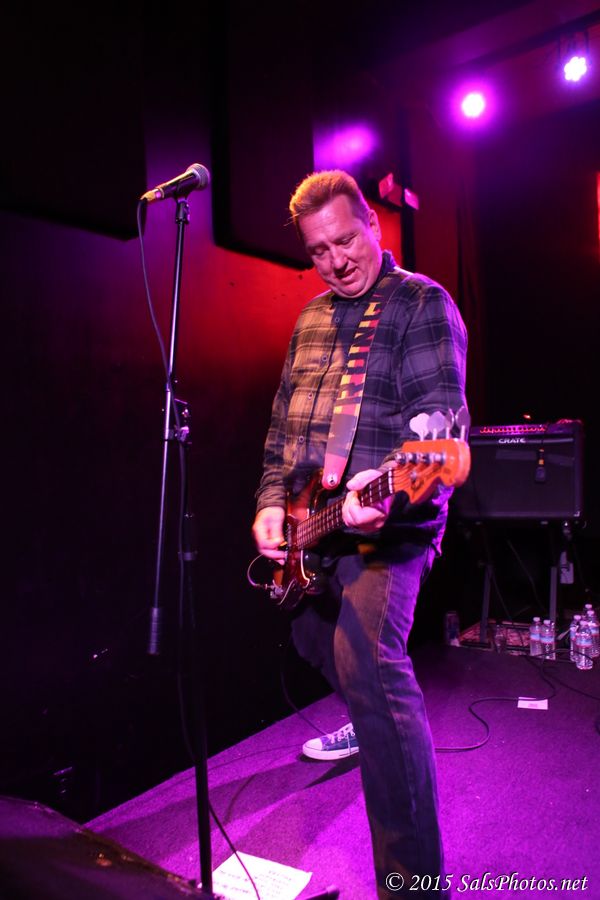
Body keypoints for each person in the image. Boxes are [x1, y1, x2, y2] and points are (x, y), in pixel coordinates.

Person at [252, 170, 467, 897]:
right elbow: (281, 432)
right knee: (313, 637)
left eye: (346, 240)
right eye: (319, 251)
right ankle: (362, 715)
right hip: (316, 524)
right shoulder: (309, 321)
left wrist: (388, 491)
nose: (336, 260)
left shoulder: (420, 304)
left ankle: (414, 884)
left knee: (368, 664)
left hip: (389, 525)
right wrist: (272, 504)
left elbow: (436, 429)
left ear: (374, 227)